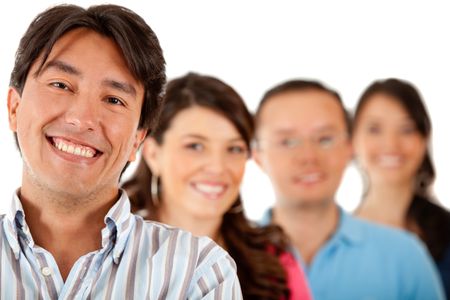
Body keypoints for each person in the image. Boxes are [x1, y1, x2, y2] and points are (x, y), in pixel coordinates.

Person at [1, 4, 242, 299]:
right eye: (61, 85)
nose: (83, 118)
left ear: (138, 140)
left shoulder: (197, 272)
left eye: (114, 100)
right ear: (14, 107)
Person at [122, 72, 312, 300]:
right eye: (195, 146)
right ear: (153, 154)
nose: (217, 168)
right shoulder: (109, 252)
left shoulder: (274, 263)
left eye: (234, 149)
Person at [252, 79, 445, 300]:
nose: (308, 156)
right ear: (257, 155)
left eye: (325, 139)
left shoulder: (406, 256)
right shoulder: (227, 256)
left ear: (349, 148)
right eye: (287, 142)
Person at [352, 78, 450, 298]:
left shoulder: (446, 233)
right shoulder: (332, 239)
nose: (391, 144)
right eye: (375, 129)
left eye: (406, 129)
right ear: (353, 140)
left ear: (424, 139)